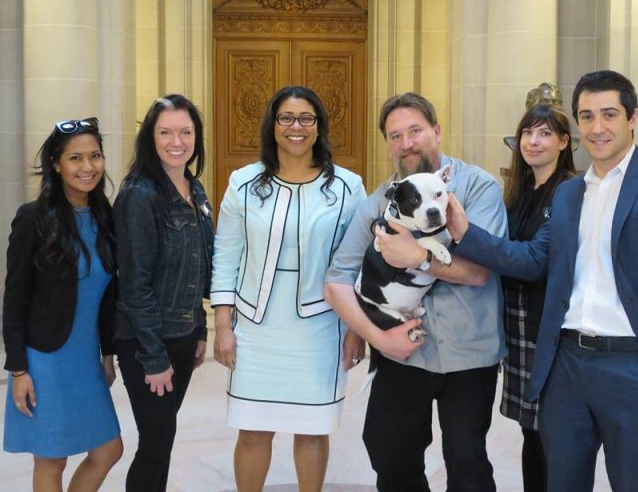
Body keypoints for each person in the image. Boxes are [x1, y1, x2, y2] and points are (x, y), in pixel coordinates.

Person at [447, 70, 638, 491]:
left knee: (634, 484)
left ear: (633, 117)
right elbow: (534, 258)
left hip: (632, 365)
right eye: (586, 116)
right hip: (566, 366)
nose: (597, 127)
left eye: (609, 114)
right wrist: (465, 233)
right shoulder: (569, 193)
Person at [324, 92, 508, 491]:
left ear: (436, 131)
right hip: (401, 350)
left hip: (468, 351)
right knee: (389, 451)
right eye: (395, 136)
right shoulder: (380, 203)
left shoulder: (477, 188)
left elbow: (479, 272)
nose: (406, 143)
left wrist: (418, 257)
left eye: (415, 131)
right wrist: (373, 336)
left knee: (467, 460)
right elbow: (337, 279)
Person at [210, 85, 365, 492]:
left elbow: (358, 263)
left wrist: (356, 328)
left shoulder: (347, 187)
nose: (296, 127)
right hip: (256, 326)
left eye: (306, 118)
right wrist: (223, 325)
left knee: (312, 430)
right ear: (273, 125)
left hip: (320, 327)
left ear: (319, 126)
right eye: (287, 118)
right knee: (252, 430)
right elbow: (225, 255)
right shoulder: (244, 182)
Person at [3, 118, 123, 490]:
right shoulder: (34, 218)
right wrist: (19, 371)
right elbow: (14, 300)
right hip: (45, 360)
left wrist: (107, 354)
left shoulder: (104, 216)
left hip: (86, 359)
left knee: (109, 450)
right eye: (75, 158)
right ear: (56, 164)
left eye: (95, 156)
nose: (88, 167)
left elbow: (107, 296)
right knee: (52, 457)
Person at [113, 95, 214, 492]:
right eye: (166, 132)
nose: (177, 142)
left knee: (164, 439)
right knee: (154, 444)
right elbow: (134, 285)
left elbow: (198, 264)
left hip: (182, 333)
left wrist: (200, 328)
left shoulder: (194, 188)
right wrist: (154, 358)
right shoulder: (140, 195)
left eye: (185, 132)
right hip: (146, 341)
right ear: (150, 138)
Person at [500, 102, 576, 492]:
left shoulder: (570, 191)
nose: (533, 141)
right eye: (528, 133)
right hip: (517, 323)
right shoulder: (518, 190)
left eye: (545, 133)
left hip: (547, 327)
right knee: (530, 431)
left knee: (552, 432)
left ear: (563, 142)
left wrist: (467, 236)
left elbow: (533, 260)